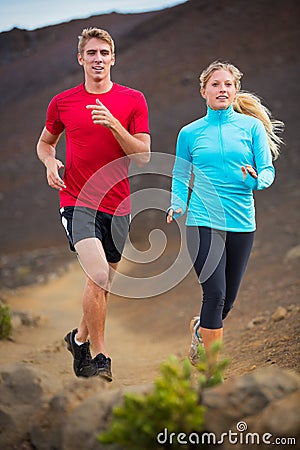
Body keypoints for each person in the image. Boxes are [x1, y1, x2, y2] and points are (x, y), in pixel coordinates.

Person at [37, 27, 151, 381]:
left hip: (118, 203)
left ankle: (79, 338)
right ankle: (101, 356)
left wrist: (115, 125)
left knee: (105, 283)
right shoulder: (63, 102)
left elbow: (145, 157)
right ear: (81, 59)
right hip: (76, 199)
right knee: (98, 274)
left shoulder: (133, 100)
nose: (98, 59)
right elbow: (45, 143)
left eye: (104, 53)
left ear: (113, 58)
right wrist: (49, 162)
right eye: (92, 53)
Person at [167, 61, 283, 365]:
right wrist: (177, 202)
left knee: (227, 301)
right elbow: (180, 175)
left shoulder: (251, 128)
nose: (222, 89)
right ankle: (213, 369)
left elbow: (268, 170)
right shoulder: (190, 133)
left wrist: (256, 180)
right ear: (204, 91)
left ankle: (199, 330)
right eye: (216, 84)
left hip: (242, 222)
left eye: (228, 84)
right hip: (202, 220)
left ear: (236, 90)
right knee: (215, 294)